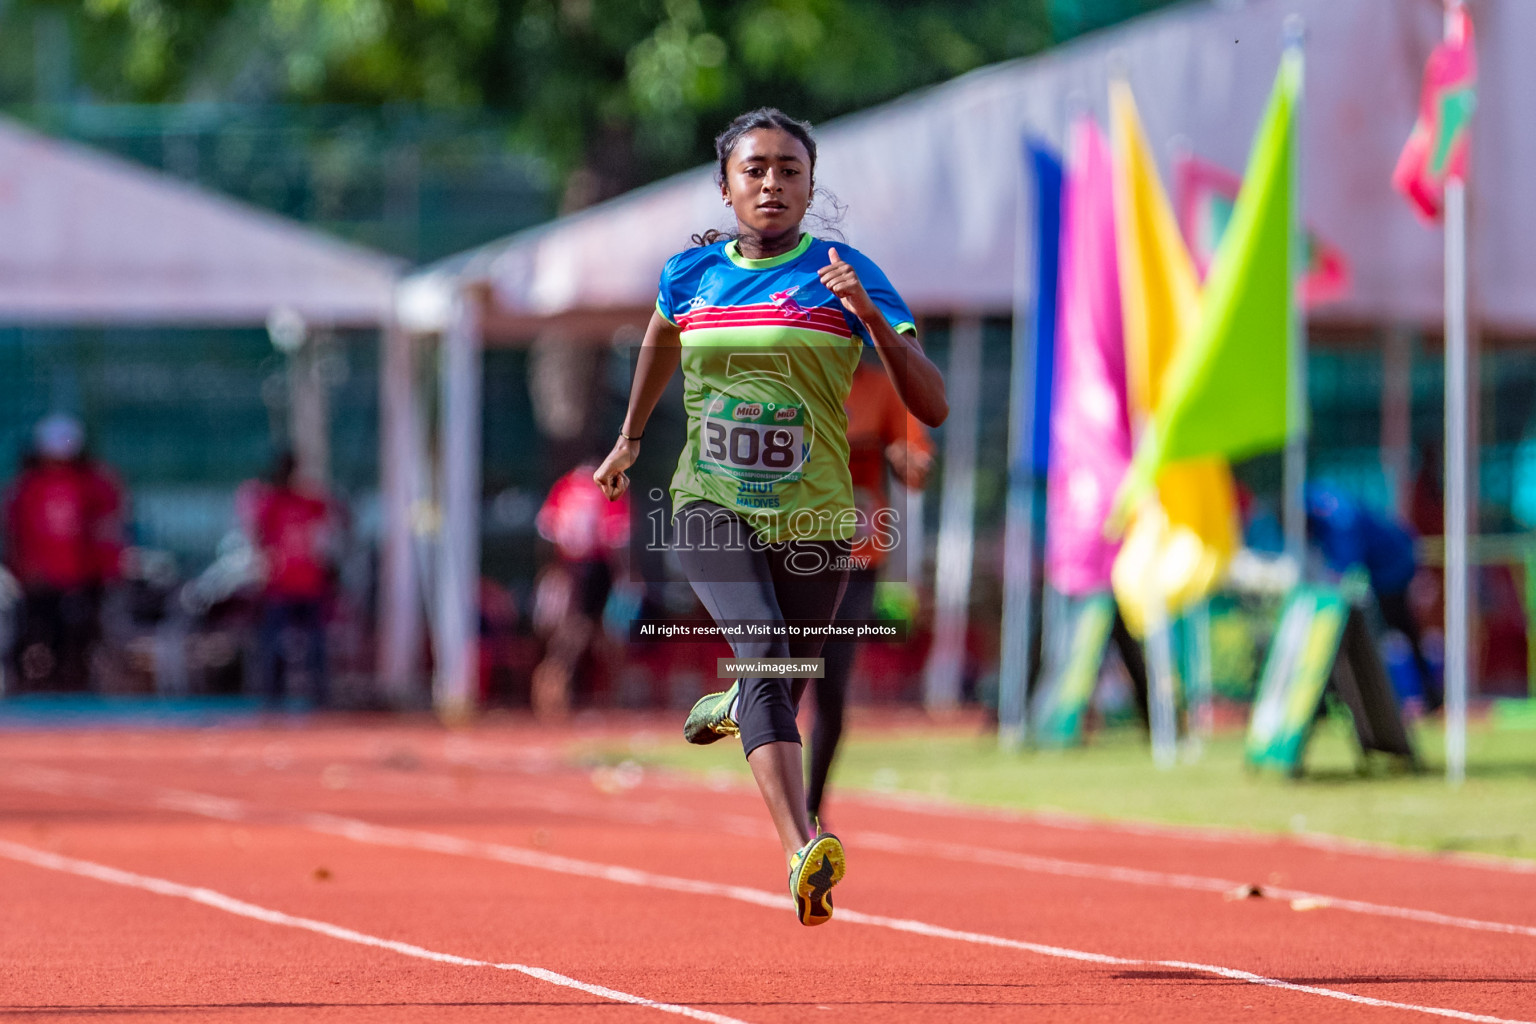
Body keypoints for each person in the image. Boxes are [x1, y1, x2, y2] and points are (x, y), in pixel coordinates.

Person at [592, 107, 947, 927]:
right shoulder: (691, 274)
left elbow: (932, 400)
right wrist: (630, 439)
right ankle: (802, 847)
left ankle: (734, 701)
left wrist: (871, 321)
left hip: (818, 518)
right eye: (755, 169)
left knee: (783, 675)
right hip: (710, 502)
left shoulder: (845, 271)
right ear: (725, 185)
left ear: (811, 184)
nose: (772, 183)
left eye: (790, 169)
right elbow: (659, 336)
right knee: (767, 657)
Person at [805, 354, 933, 823]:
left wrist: (905, 461)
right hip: (794, 554)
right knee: (782, 672)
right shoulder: (795, 379)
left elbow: (917, 468)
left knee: (831, 684)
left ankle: (811, 804)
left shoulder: (880, 390)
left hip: (857, 559)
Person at [4, 414, 125, 692]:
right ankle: (35, 683)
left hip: (85, 577)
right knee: (37, 631)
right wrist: (24, 569)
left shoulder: (94, 483)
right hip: (40, 579)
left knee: (83, 633)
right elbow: (17, 533)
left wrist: (102, 570)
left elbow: (106, 531)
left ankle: (78, 681)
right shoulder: (27, 486)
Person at [1306, 483, 1442, 712]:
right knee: (1392, 634)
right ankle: (1422, 696)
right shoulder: (1320, 507)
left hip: (1392, 573)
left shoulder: (1338, 518)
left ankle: (1415, 697)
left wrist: (1333, 582)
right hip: (1386, 571)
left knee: (1386, 634)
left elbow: (1348, 564)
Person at [530, 460, 630, 718]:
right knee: (584, 628)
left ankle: (607, 696)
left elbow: (547, 531)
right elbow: (615, 536)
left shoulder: (564, 484)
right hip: (595, 564)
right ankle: (554, 676)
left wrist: (551, 568)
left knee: (589, 631)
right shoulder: (609, 483)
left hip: (566, 563)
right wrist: (624, 574)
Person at [242, 452, 338, 710]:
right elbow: (258, 536)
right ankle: (275, 697)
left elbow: (332, 526)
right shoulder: (272, 503)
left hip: (306, 583)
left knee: (312, 644)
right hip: (283, 584)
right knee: (276, 643)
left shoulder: (309, 501)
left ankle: (317, 696)